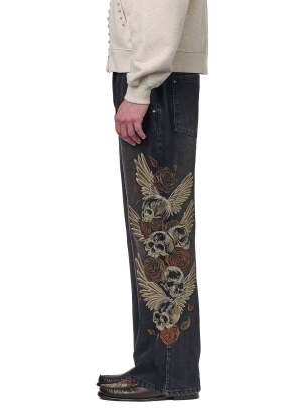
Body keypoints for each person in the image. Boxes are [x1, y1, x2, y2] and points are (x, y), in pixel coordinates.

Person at [98, 0, 208, 401]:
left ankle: (165, 374)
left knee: (160, 231)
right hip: (157, 74)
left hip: (157, 79)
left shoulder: (149, 79)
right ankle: (160, 368)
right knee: (153, 232)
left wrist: (140, 86)